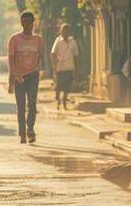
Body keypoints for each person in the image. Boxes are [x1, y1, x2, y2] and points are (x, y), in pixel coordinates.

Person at [7, 11, 43, 143]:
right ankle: (22, 133)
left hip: (33, 75)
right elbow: (11, 58)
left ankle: (30, 130)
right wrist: (11, 75)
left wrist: (38, 70)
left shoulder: (38, 39)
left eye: (30, 21)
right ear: (21, 23)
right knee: (21, 106)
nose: (28, 24)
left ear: (33, 23)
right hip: (19, 76)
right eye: (25, 21)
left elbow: (39, 56)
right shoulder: (15, 39)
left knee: (32, 103)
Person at [50, 23, 79, 110]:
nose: (65, 33)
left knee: (67, 86)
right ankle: (58, 101)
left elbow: (76, 55)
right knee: (59, 85)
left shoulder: (73, 42)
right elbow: (53, 54)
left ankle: (64, 102)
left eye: (67, 31)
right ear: (61, 32)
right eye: (64, 31)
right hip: (60, 67)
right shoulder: (58, 41)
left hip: (69, 67)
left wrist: (77, 68)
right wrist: (54, 68)